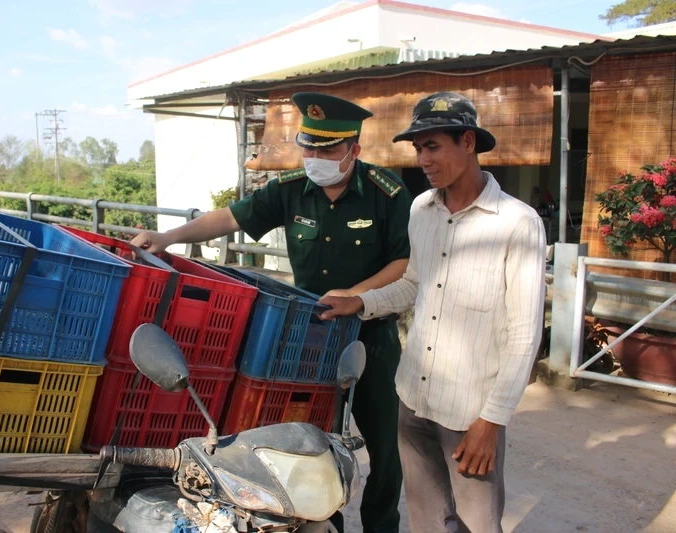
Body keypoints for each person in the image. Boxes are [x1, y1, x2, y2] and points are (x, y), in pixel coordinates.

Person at [130, 92, 411, 533]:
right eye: (308, 146)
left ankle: (381, 528)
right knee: (309, 442)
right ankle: (318, 523)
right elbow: (229, 219)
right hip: (309, 337)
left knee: (385, 450)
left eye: (327, 149)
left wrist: (354, 296)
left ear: (353, 150)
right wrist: (168, 236)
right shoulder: (290, 190)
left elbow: (403, 261)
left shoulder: (386, 193)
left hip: (369, 338)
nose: (314, 157)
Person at [318, 91, 547, 533]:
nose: (423, 159)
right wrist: (360, 301)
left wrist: (491, 422)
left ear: (468, 142)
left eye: (433, 146)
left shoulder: (517, 222)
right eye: (418, 149)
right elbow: (413, 285)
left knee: (477, 523)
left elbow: (524, 333)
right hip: (414, 398)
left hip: (470, 413)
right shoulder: (422, 208)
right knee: (426, 521)